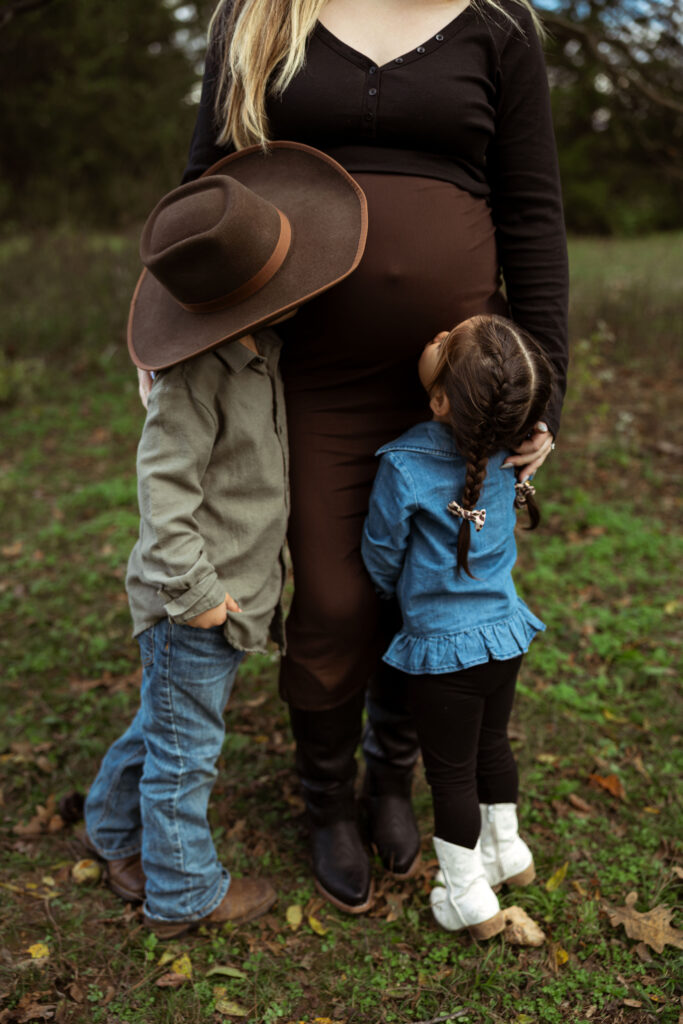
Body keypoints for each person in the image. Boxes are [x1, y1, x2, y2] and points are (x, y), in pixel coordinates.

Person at [140, 0, 569, 914]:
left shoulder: (499, 25)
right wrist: (168, 340)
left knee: (434, 586)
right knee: (335, 597)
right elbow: (204, 182)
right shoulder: (255, 14)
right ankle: (326, 797)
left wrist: (545, 384)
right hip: (308, 371)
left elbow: (531, 208)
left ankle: (391, 771)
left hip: (456, 382)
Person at [85, 142, 368, 937]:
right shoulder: (195, 379)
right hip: (195, 603)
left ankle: (111, 830)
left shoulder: (258, 350)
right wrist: (201, 598)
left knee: (163, 724)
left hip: (224, 598)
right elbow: (162, 494)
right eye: (291, 283)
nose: (303, 293)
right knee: (186, 755)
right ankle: (183, 892)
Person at [362, 313, 553, 938]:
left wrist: (387, 592)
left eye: (445, 344)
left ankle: (466, 896)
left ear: (441, 399)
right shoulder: (509, 450)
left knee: (449, 775)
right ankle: (509, 853)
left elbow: (382, 551)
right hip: (505, 635)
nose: (437, 334)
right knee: (493, 746)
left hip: (443, 653)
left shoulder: (404, 463)